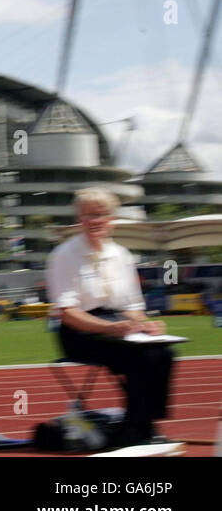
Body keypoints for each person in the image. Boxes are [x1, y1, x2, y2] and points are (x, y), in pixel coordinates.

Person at [46, 187, 175, 446]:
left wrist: (144, 325)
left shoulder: (122, 255)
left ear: (112, 218)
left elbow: (132, 306)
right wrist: (111, 329)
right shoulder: (64, 255)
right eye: (88, 215)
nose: (95, 221)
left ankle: (143, 423)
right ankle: (136, 429)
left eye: (101, 214)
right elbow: (68, 313)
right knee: (140, 356)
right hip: (79, 331)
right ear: (80, 219)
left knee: (163, 351)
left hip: (117, 323)